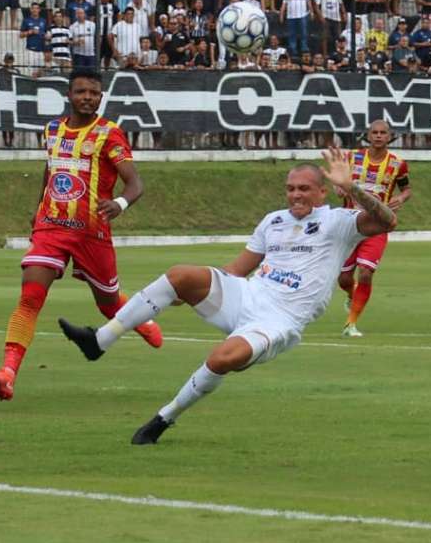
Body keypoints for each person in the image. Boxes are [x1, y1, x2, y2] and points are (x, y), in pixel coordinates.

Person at [57, 147, 398, 444]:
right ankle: (98, 341)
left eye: (305, 189)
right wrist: (184, 291)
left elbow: (387, 221)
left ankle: (163, 418)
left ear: (323, 192)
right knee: (181, 274)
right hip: (247, 295)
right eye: (291, 188)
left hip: (279, 321)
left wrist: (352, 187)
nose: (296, 195)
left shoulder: (338, 222)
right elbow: (236, 268)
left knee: (222, 359)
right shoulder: (273, 221)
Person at [0, 68, 162, 402]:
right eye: (81, 92)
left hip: (91, 232)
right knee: (30, 296)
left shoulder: (109, 133)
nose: (87, 98)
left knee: (108, 304)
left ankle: (141, 320)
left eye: (93, 93)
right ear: (70, 94)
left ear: (101, 96)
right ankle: (7, 374)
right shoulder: (52, 130)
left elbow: (135, 183)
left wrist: (120, 203)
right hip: (51, 226)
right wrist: (38, 209)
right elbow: (51, 171)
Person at [337, 121, 412, 337]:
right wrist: (339, 188)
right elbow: (338, 182)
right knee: (343, 279)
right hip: (350, 225)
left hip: (377, 225)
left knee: (366, 273)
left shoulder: (398, 164)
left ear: (389, 137)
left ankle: (350, 324)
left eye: (383, 133)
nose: (378, 136)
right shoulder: (352, 158)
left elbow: (407, 189)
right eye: (374, 132)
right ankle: (352, 294)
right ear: (368, 135)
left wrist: (401, 198)